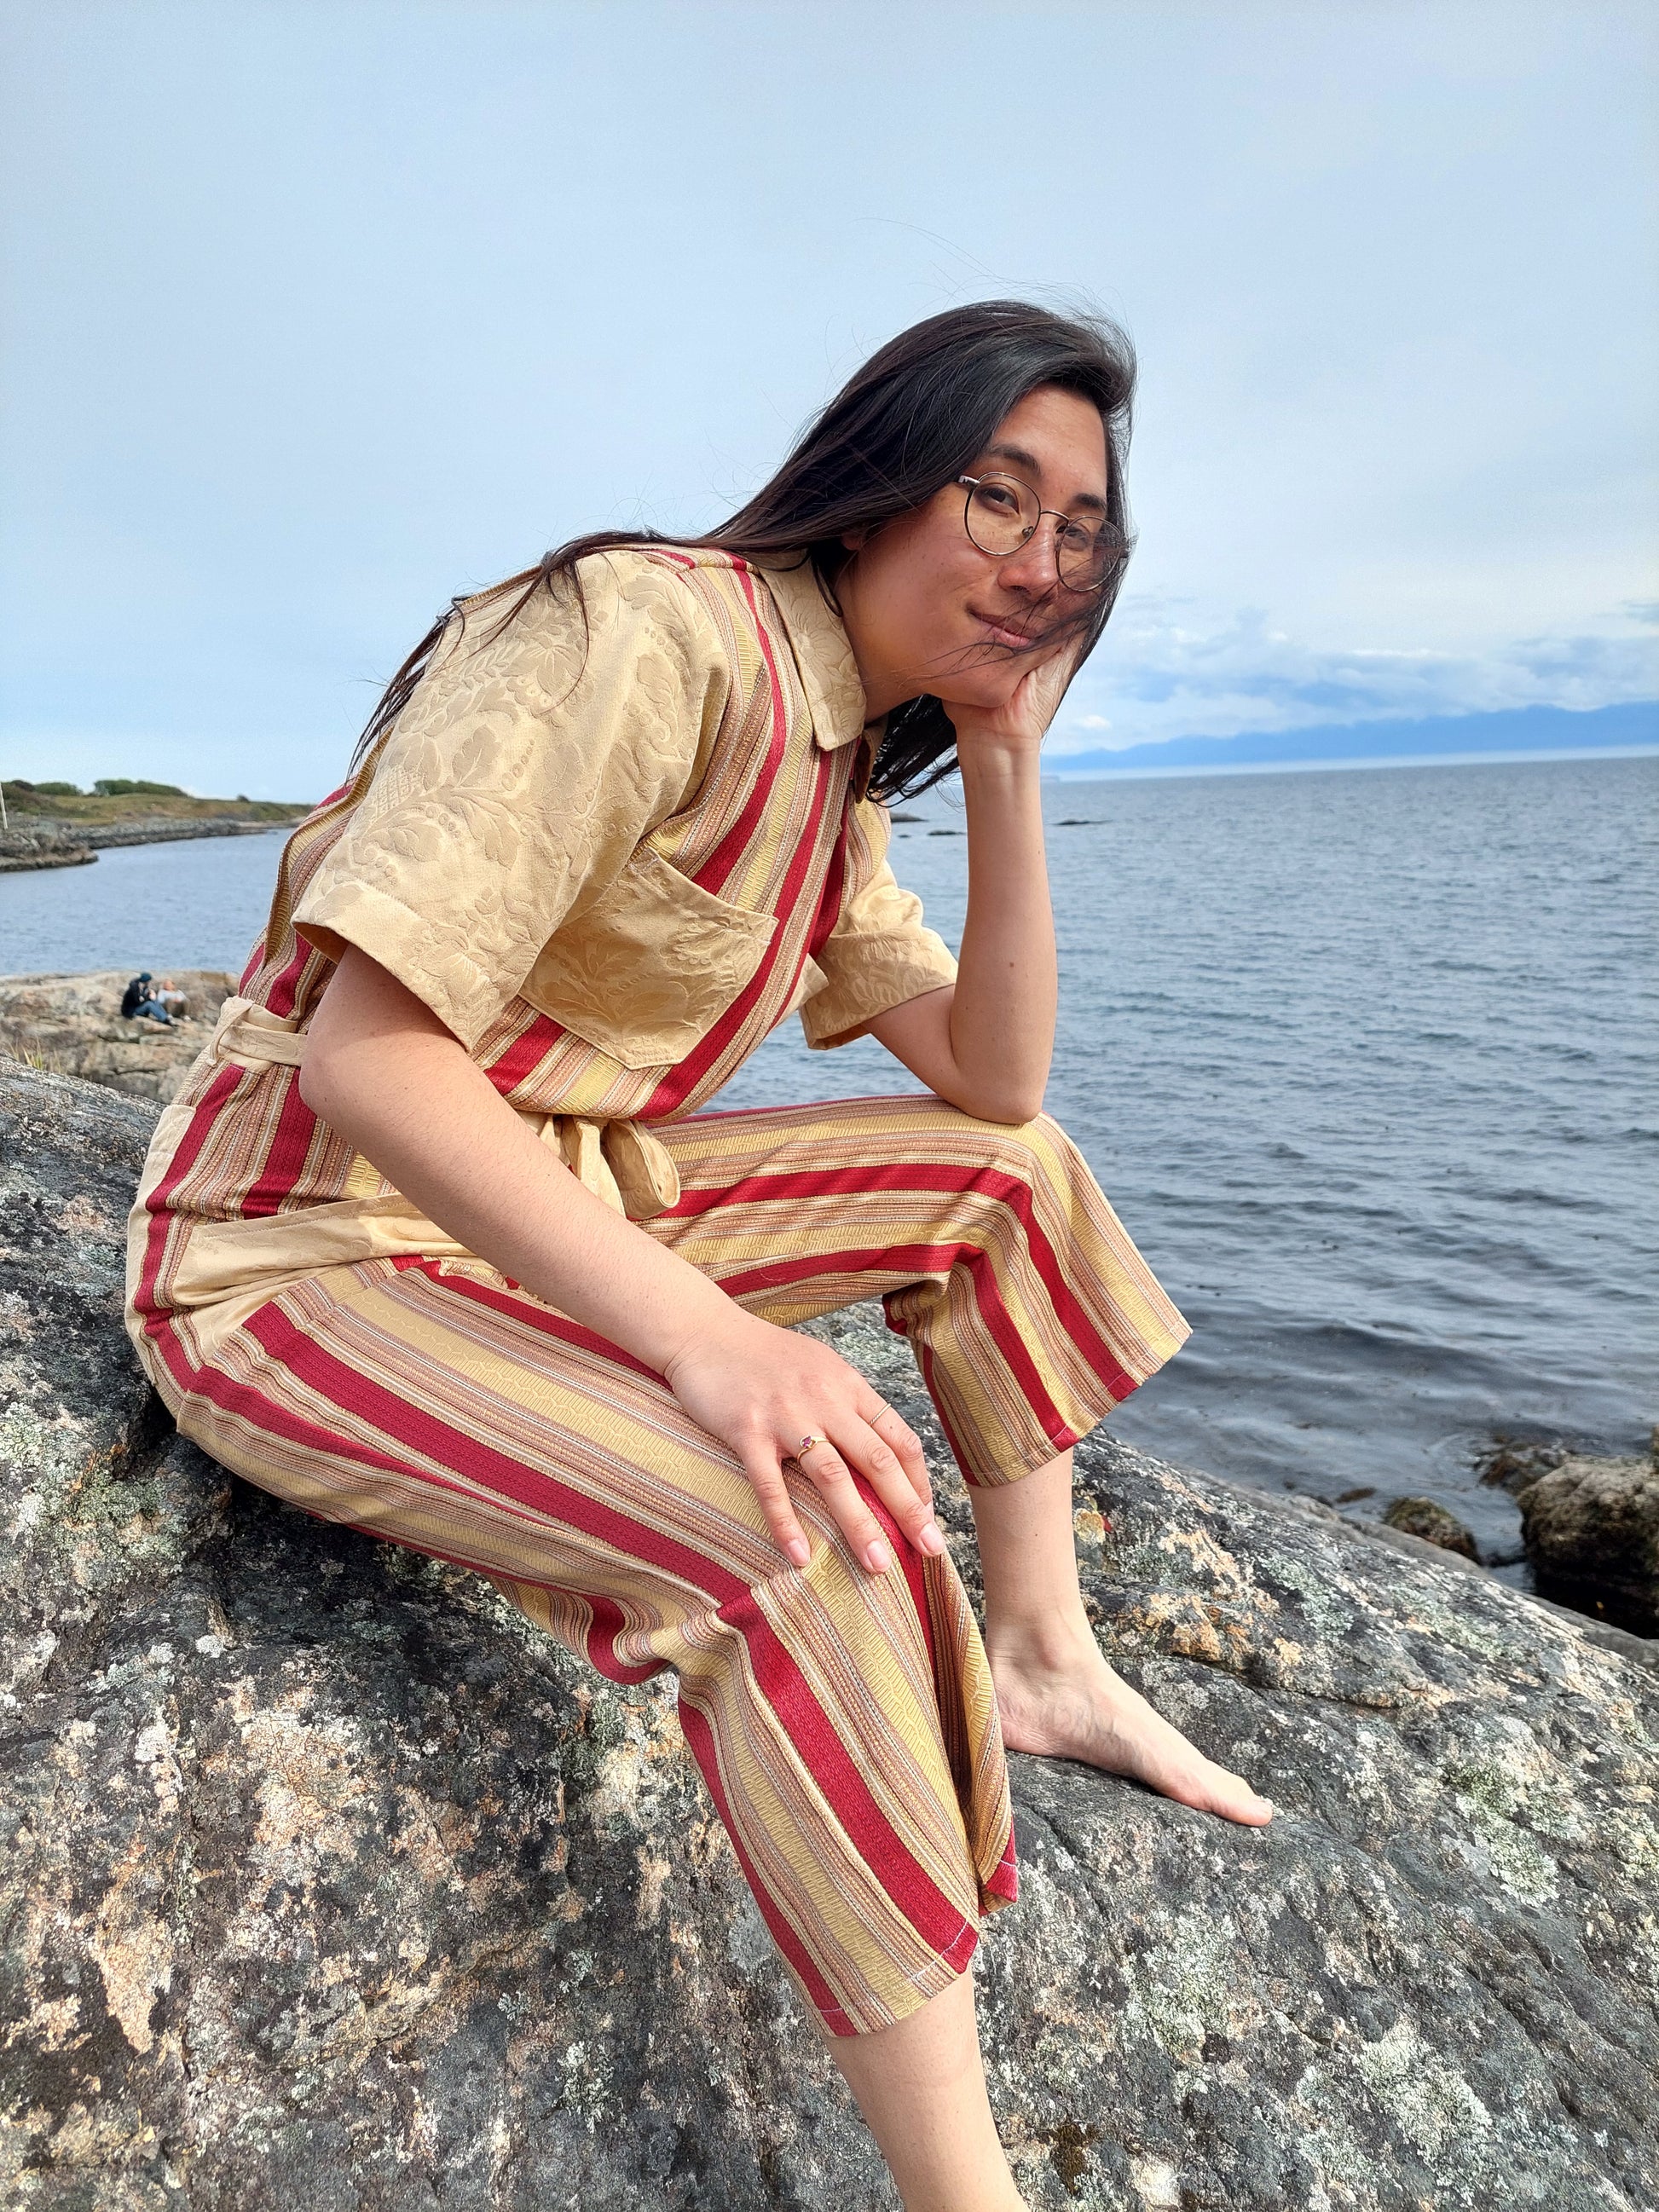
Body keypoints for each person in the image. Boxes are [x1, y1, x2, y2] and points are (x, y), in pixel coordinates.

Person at [124, 299, 1272, 2212]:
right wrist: (710, 1348)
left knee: (1010, 1173)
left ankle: (1048, 1652)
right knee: (793, 1511)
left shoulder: (838, 766)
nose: (1036, 559)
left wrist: (1001, 756)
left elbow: (994, 1077)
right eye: (995, 492)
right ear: (876, 473)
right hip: (295, 1242)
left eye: (1078, 530)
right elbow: (368, 1045)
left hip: (550, 1197)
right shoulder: (636, 631)